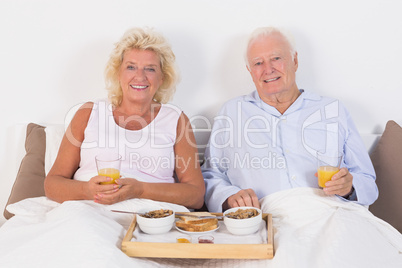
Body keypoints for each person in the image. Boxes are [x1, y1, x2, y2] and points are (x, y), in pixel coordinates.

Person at [202, 27, 378, 212]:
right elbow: (211, 174)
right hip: (266, 219)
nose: (268, 69)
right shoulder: (232, 112)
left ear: (295, 60)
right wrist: (229, 196)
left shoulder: (332, 110)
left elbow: (367, 180)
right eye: (258, 63)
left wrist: (349, 188)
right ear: (250, 71)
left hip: (331, 214)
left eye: (276, 58)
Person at [44, 27, 205, 209]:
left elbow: (196, 195)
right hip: (88, 210)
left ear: (162, 77)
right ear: (118, 73)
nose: (140, 76)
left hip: (150, 216)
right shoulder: (89, 112)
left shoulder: (176, 120)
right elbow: (52, 184)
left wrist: (140, 190)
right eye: (131, 67)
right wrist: (87, 190)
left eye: (150, 69)